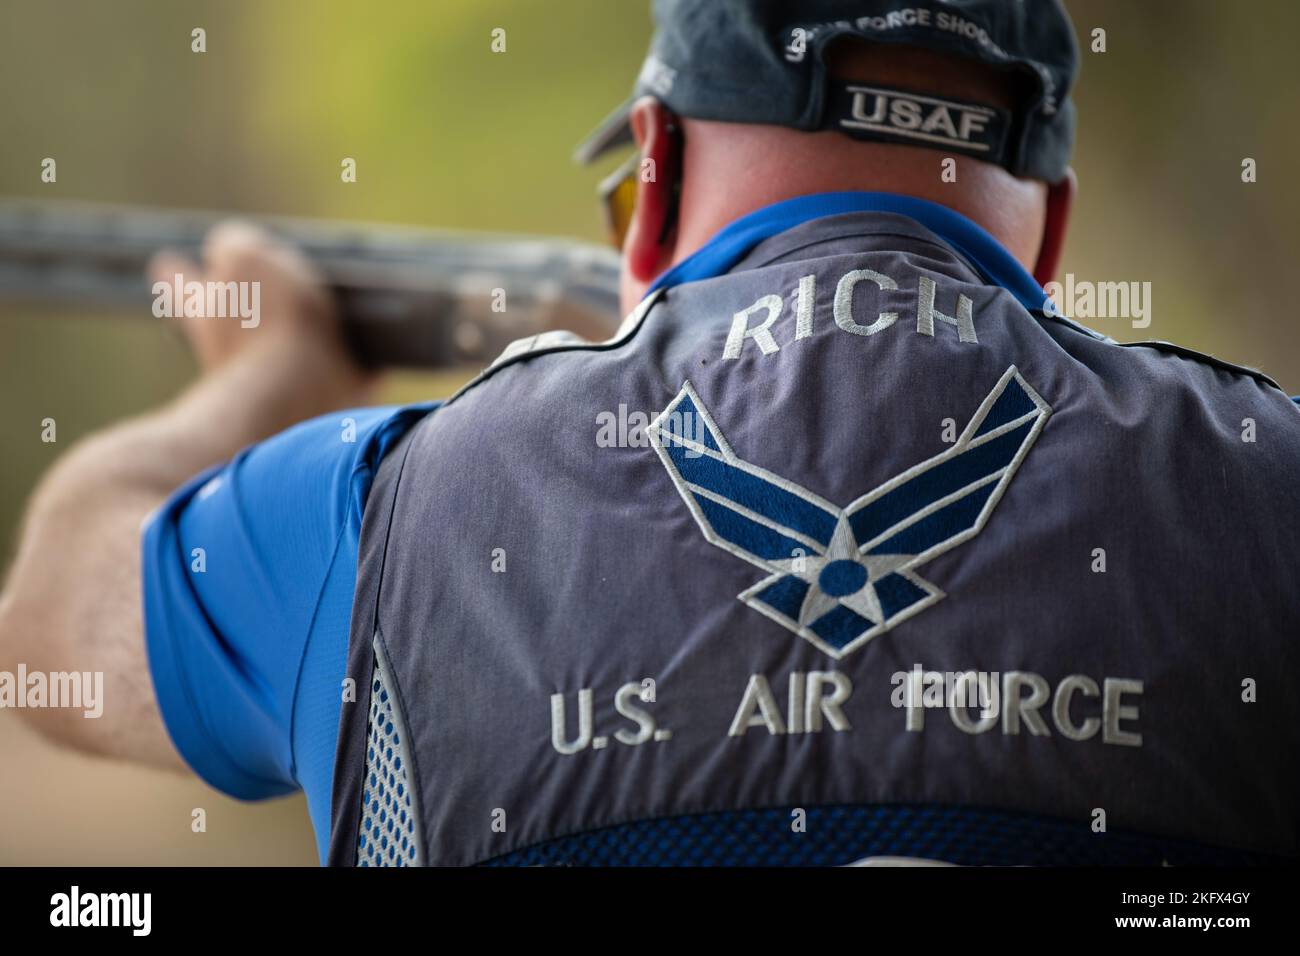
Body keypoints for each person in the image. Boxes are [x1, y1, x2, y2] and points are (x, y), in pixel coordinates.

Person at [1, 0, 1296, 866]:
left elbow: (53, 618)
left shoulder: (398, 509)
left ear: (657, 171)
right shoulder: (1267, 484)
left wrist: (265, 374)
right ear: (1053, 233)